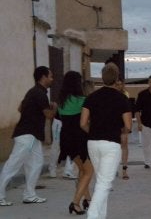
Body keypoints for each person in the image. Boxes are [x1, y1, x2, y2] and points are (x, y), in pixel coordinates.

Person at [80, 62, 132, 219]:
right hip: (111, 144)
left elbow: (83, 123)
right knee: (104, 183)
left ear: (102, 78)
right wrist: (117, 130)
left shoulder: (91, 97)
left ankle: (100, 216)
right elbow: (128, 126)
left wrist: (94, 131)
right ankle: (92, 214)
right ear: (117, 79)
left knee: (101, 181)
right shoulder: (122, 98)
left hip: (93, 143)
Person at [0, 66, 56, 206]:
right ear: (43, 77)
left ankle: (29, 195)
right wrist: (54, 107)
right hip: (28, 136)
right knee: (13, 164)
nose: (52, 79)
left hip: (31, 136)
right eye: (50, 76)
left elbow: (20, 108)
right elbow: (48, 115)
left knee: (36, 163)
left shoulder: (33, 92)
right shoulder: (40, 94)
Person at [57, 71, 93, 215]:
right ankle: (75, 202)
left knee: (83, 170)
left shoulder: (61, 101)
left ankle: (88, 200)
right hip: (79, 139)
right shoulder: (83, 100)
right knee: (89, 171)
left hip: (66, 139)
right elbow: (86, 122)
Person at [116, 79, 130, 180]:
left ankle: (124, 170)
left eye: (120, 84)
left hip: (122, 124)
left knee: (124, 146)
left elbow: (128, 111)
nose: (119, 86)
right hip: (112, 125)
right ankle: (114, 169)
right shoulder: (109, 96)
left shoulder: (125, 96)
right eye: (117, 84)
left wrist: (127, 126)